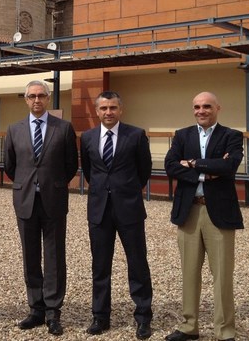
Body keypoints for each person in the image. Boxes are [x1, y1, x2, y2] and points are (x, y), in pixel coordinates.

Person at [164, 91, 244, 341]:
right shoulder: (182, 135)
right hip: (189, 211)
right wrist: (206, 171)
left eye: (207, 106)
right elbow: (170, 166)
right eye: (197, 106)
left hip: (218, 211)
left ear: (217, 108)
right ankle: (189, 326)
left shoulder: (231, 135)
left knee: (221, 274)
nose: (201, 111)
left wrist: (192, 163)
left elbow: (229, 167)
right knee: (189, 272)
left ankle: (224, 330)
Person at [4, 79, 78, 336]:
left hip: (54, 199)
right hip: (25, 200)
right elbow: (10, 166)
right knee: (30, 255)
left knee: (55, 256)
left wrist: (52, 184)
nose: (37, 100)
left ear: (48, 99)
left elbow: (70, 165)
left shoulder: (64, 128)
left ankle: (53, 311)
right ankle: (35, 309)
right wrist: (28, 184)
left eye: (41, 96)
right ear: (26, 100)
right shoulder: (14, 129)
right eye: (32, 96)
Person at [80, 91, 153, 339]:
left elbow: (144, 170)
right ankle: (100, 316)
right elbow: (90, 172)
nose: (108, 112)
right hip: (99, 210)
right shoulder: (88, 137)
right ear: (97, 111)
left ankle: (143, 316)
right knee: (100, 266)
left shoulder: (136, 135)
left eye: (112, 108)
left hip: (129, 208)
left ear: (120, 110)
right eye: (103, 108)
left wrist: (126, 190)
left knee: (137, 264)